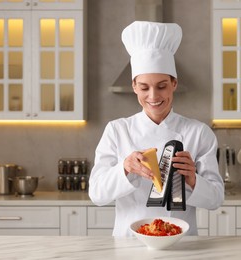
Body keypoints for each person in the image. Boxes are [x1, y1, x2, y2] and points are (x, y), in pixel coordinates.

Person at [89, 21, 224, 237]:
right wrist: (125, 167)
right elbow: (97, 194)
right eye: (144, 87)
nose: (153, 96)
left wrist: (193, 178)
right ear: (134, 86)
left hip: (181, 244)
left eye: (161, 86)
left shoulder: (199, 133)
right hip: (129, 244)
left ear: (174, 84)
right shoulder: (117, 130)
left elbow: (216, 199)